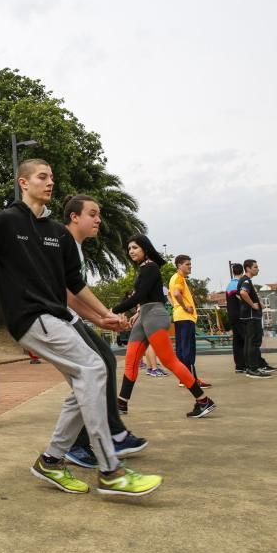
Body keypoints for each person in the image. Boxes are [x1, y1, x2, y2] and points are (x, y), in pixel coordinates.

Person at [0, 160, 163, 497]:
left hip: (57, 318)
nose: (49, 182)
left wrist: (102, 315)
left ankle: (52, 461)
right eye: (42, 177)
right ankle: (110, 469)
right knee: (95, 368)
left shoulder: (58, 234)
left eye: (52, 177)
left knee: (85, 384)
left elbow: (74, 283)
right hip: (30, 318)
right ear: (23, 182)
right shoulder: (6, 221)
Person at [56, 195, 148, 469]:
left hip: (68, 317)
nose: (99, 220)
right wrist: (102, 317)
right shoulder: (63, 242)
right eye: (92, 214)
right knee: (96, 370)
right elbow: (66, 294)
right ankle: (101, 436)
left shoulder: (76, 248)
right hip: (56, 321)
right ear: (74, 217)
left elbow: (72, 296)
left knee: (101, 366)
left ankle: (92, 438)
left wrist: (101, 319)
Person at [114, 234, 216, 419]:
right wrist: (137, 313)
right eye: (129, 249)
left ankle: (203, 400)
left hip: (154, 315)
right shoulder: (143, 269)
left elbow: (140, 295)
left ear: (145, 248)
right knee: (131, 360)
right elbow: (144, 296)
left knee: (169, 360)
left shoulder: (151, 267)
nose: (131, 251)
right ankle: (121, 403)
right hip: (144, 315)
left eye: (135, 247)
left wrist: (113, 309)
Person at [169, 255, 209, 387]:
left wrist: (176, 305)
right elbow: (175, 294)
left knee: (181, 349)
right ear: (179, 265)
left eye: (190, 264)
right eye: (187, 264)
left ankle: (184, 378)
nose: (190, 266)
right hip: (185, 317)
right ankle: (191, 379)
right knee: (188, 350)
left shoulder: (174, 278)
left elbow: (170, 295)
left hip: (179, 316)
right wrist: (185, 306)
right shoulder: (179, 278)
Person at [238, 259, 277, 376]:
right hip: (251, 316)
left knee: (249, 342)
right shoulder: (245, 280)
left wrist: (258, 302)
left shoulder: (245, 280)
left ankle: (251, 366)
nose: (258, 269)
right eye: (255, 267)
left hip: (248, 315)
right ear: (248, 268)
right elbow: (243, 293)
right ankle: (253, 368)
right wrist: (253, 304)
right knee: (253, 342)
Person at [225, 263, 245, 372]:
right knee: (246, 340)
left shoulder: (229, 285)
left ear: (233, 272)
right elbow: (242, 298)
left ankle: (239, 366)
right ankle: (249, 364)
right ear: (242, 272)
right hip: (240, 315)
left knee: (237, 341)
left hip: (231, 315)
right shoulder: (240, 284)